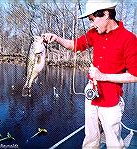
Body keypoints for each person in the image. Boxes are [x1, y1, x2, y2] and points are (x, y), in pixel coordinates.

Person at [42, 0, 137, 148]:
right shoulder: (94, 34)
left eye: (93, 19)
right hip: (91, 96)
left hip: (111, 101)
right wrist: (57, 38)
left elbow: (134, 76)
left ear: (106, 14)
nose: (91, 24)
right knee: (90, 139)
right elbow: (75, 45)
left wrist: (104, 76)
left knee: (114, 143)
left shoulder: (129, 39)